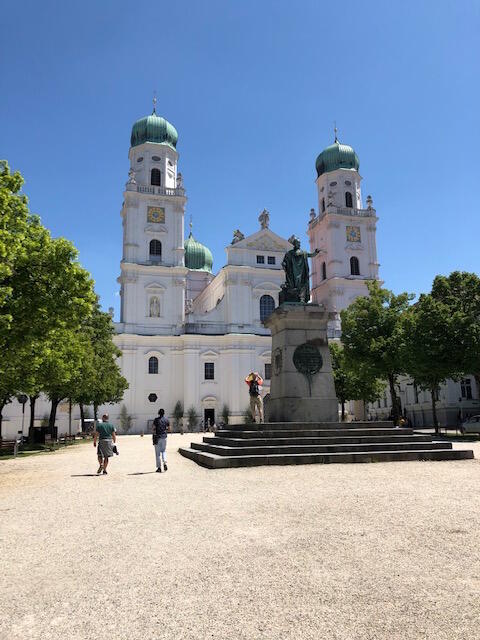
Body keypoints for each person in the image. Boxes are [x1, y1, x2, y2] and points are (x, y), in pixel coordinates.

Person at [152, 408, 170, 472]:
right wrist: (164, 430)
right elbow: (169, 429)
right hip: (164, 437)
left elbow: (153, 428)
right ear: (164, 413)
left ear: (158, 413)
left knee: (157, 454)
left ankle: (159, 468)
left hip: (157, 437)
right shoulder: (166, 420)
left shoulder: (156, 420)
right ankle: (164, 462)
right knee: (164, 451)